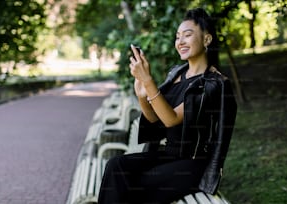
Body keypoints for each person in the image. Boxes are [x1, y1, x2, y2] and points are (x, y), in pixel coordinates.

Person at [98, 7, 237, 204]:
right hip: (168, 156)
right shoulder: (177, 74)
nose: (180, 42)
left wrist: (148, 81)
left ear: (207, 39)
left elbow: (171, 119)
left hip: (193, 163)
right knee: (116, 165)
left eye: (187, 35)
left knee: (135, 183)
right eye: (177, 37)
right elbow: (155, 118)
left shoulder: (213, 83)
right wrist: (141, 96)